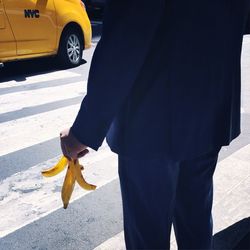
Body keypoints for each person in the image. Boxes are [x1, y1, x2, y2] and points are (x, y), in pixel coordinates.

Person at [60, 1, 250, 249]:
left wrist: (83, 130)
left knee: (148, 236)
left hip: (150, 117)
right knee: (196, 221)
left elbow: (126, 35)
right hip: (210, 108)